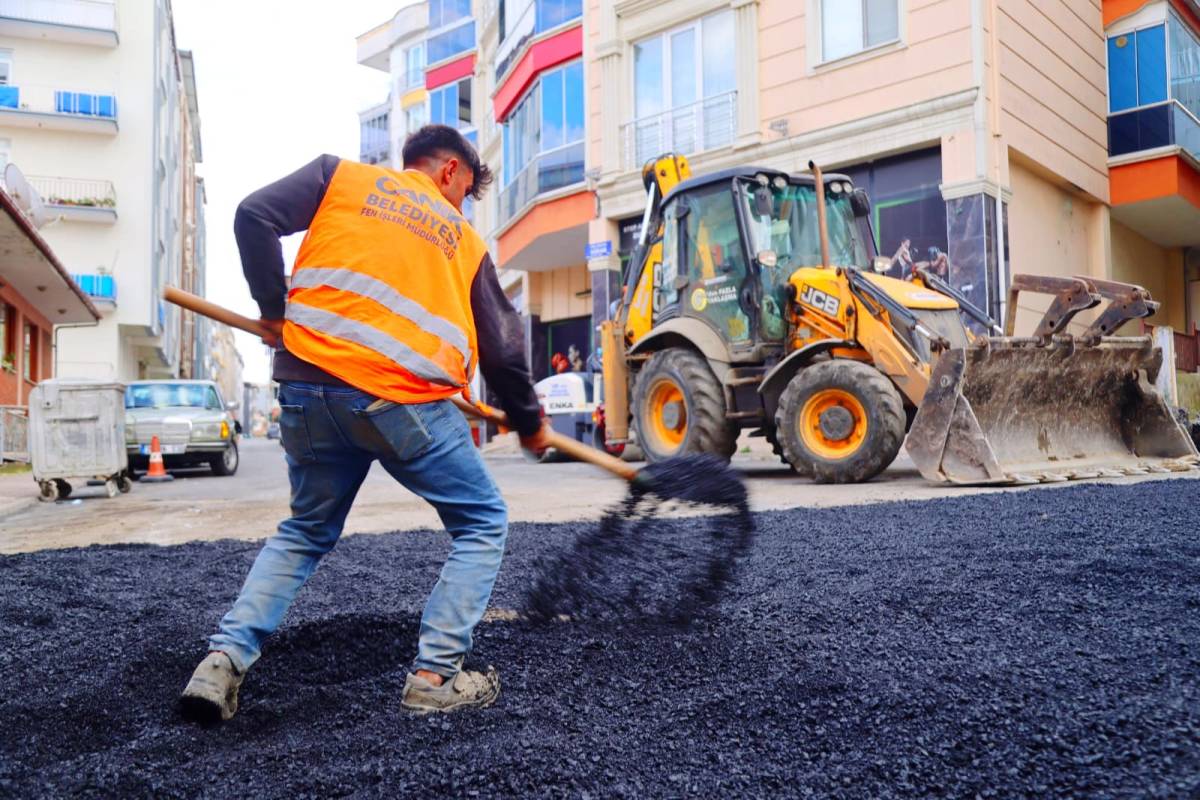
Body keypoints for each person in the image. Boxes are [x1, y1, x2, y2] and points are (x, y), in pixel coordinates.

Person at [180, 125, 551, 721]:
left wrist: (273, 311)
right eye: (464, 192)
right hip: (401, 402)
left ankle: (221, 662)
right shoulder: (460, 237)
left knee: (304, 531)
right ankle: (434, 677)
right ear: (450, 172)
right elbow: (504, 347)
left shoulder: (340, 178)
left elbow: (253, 215)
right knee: (482, 521)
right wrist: (530, 423)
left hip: (307, 387)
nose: (461, 206)